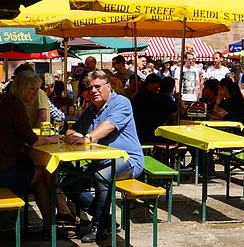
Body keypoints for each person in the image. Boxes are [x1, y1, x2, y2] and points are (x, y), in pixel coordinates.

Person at [64, 70, 144, 243]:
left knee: (102, 176)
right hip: (99, 162)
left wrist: (87, 138)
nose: (94, 90)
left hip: (128, 160)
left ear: (108, 86)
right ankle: (106, 220)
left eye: (97, 86)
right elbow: (71, 130)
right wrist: (75, 135)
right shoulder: (91, 109)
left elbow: (108, 126)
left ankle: (99, 227)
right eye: (90, 87)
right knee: (69, 182)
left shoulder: (121, 102)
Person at [0, 70, 63, 236]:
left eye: (37, 89)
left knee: (40, 169)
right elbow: (32, 140)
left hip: (6, 166)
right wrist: (54, 138)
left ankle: (53, 223)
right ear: (21, 88)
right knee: (44, 171)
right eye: (32, 89)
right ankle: (54, 223)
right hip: (4, 173)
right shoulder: (15, 106)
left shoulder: (6, 102)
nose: (36, 94)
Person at [139, 77, 178, 144]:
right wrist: (179, 101)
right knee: (180, 140)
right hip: (156, 133)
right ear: (172, 88)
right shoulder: (167, 99)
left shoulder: (154, 97)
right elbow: (174, 115)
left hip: (147, 131)